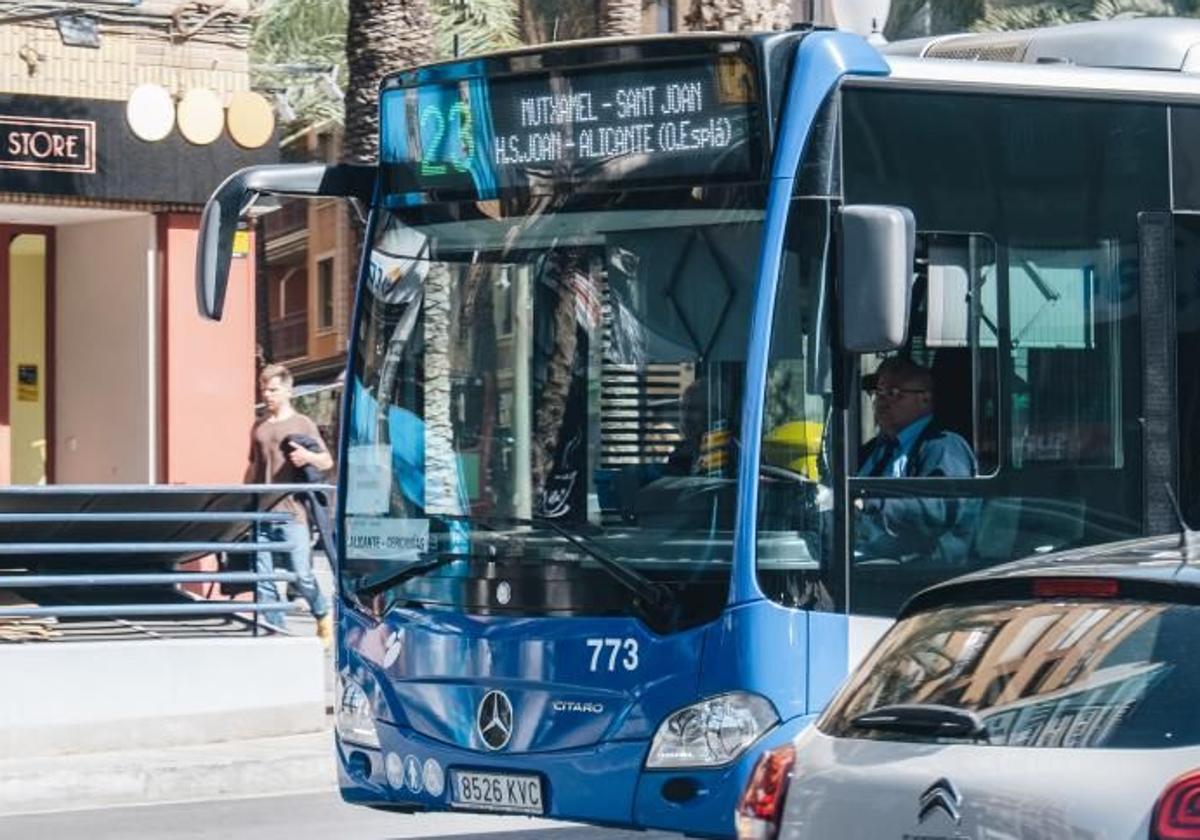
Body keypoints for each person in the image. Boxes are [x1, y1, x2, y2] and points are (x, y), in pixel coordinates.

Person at [855, 356, 978, 565]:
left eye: (894, 393)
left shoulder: (944, 446)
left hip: (919, 571)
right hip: (860, 557)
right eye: (877, 392)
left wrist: (869, 504)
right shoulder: (871, 450)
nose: (881, 401)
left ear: (925, 398)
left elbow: (937, 509)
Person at [245, 363, 334, 646]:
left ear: (287, 390)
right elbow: (252, 468)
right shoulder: (258, 427)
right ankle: (277, 633)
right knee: (264, 580)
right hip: (261, 514)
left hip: (292, 514)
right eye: (264, 389)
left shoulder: (303, 424)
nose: (267, 394)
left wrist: (308, 457)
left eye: (273, 389)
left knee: (302, 575)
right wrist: (241, 500)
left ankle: (322, 614)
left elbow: (327, 462)